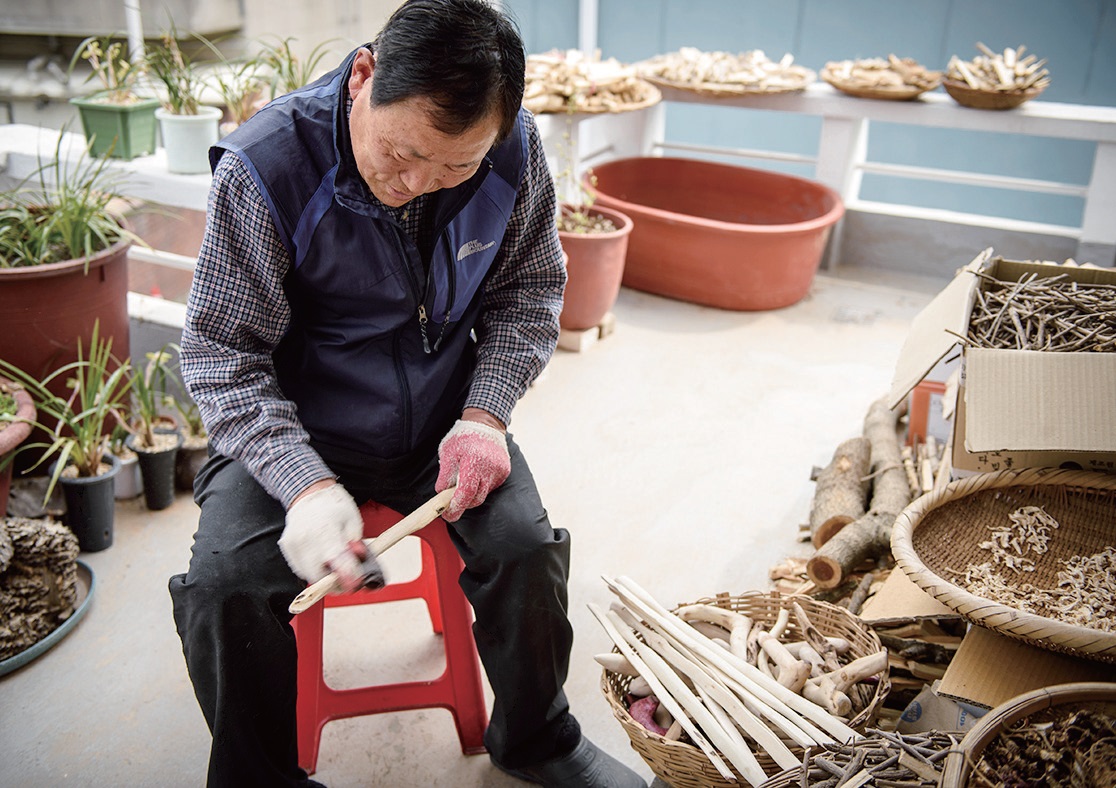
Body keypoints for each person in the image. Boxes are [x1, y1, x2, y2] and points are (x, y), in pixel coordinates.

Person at [168, 1, 646, 787]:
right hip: (294, 432)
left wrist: (485, 415)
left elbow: (530, 292)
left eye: (455, 167)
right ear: (363, 77)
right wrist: (305, 484)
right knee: (226, 588)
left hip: (442, 427)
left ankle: (538, 739)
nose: (416, 184)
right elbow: (223, 353)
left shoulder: (513, 150)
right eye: (401, 153)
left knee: (526, 549)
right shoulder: (267, 169)